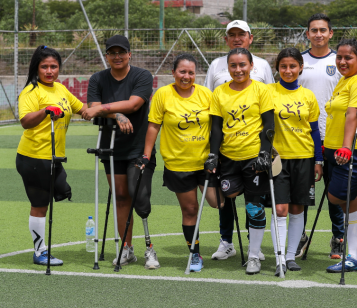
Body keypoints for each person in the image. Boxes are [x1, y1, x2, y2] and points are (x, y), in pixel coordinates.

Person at [140, 53, 224, 272]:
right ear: (173, 72)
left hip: (206, 163)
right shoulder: (162, 94)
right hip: (178, 164)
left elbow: (216, 127)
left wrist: (215, 155)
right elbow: (153, 126)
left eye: (191, 72)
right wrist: (146, 154)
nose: (186, 76)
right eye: (182, 72)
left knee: (218, 202)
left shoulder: (206, 94)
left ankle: (229, 242)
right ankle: (195, 254)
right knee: (190, 210)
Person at [81, 35, 159, 269]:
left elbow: (134, 103)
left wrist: (105, 109)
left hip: (138, 147)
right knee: (122, 197)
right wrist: (117, 114)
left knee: (139, 198)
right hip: (111, 147)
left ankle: (149, 249)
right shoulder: (98, 78)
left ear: (129, 54)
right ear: (106, 56)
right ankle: (127, 248)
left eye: (121, 52)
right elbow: (92, 108)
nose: (117, 56)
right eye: (112, 53)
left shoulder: (142, 76)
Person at [204, 20, 275, 262]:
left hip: (254, 155)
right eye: (233, 66)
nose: (238, 69)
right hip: (228, 156)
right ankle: (227, 242)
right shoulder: (219, 90)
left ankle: (254, 251)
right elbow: (215, 127)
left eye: (242, 65)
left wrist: (265, 151)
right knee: (227, 198)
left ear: (251, 65)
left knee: (254, 205)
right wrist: (213, 153)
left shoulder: (262, 88)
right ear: (227, 66)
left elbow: (269, 124)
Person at [16, 45, 87, 266]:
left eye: (54, 66)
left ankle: (41, 250)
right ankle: (40, 252)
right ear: (36, 68)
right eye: (44, 67)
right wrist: (45, 111)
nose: (49, 71)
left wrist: (109, 112)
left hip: (54, 158)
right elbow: (26, 122)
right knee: (39, 205)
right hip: (34, 157)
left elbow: (82, 108)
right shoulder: (31, 91)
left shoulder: (60, 89)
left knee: (52, 196)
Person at [324, 39, 357, 273]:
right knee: (350, 203)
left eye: (349, 58)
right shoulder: (344, 81)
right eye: (339, 57)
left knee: (336, 197)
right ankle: (354, 257)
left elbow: (352, 114)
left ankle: (354, 255)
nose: (343, 61)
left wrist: (346, 148)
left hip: (355, 152)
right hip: (335, 151)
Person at [269, 47, 323, 276]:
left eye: (293, 66)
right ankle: (279, 256)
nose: (288, 70)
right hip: (277, 159)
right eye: (283, 66)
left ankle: (291, 256)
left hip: (304, 157)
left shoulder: (308, 96)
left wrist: (318, 160)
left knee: (296, 208)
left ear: (301, 67)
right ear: (277, 68)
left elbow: (314, 130)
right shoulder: (268, 91)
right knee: (279, 208)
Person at [297, 13, 346, 260]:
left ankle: (338, 238)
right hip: (303, 139)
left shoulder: (340, 62)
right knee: (302, 193)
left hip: (334, 139)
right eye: (313, 30)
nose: (318, 34)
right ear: (307, 34)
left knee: (334, 193)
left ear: (330, 33)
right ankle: (299, 237)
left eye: (322, 30)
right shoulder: (298, 61)